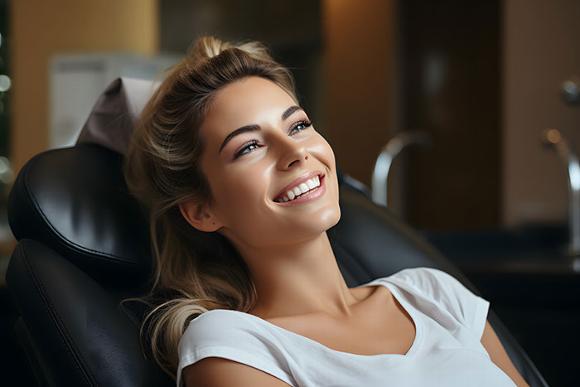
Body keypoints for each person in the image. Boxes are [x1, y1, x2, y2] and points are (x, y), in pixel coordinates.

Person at [123, 36, 529, 387]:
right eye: (249, 147)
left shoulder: (433, 295)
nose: (295, 152)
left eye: (297, 126)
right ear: (202, 211)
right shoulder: (235, 347)